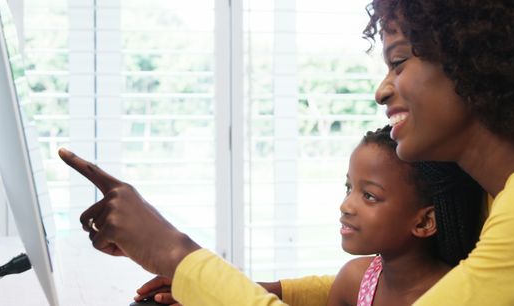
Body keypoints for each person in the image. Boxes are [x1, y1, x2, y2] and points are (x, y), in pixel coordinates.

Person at [59, 0, 514, 305]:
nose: (381, 90)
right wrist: (256, 291)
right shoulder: (499, 188)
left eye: (398, 61)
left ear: (476, 63)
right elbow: (377, 284)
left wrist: (174, 253)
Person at [131, 126, 484, 305]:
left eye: (370, 196)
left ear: (423, 222)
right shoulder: (356, 280)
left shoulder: (451, 294)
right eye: (349, 188)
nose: (347, 205)